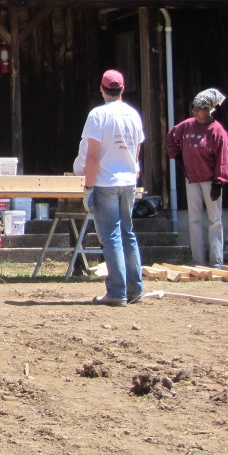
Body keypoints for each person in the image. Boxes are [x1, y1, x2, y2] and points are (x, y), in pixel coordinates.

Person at [82, 69, 145, 307]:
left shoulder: (97, 115)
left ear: (101, 88)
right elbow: (136, 152)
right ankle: (135, 289)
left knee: (111, 237)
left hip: (105, 182)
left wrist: (88, 186)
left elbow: (92, 157)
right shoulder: (133, 114)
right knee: (127, 233)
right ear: (122, 89)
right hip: (128, 181)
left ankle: (117, 292)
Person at [166, 88, 228, 269]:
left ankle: (216, 262)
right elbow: (171, 137)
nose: (195, 112)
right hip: (192, 179)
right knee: (194, 220)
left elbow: (223, 158)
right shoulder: (186, 125)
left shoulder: (217, 131)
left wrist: (219, 181)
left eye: (199, 109)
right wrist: (177, 157)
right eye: (193, 108)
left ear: (208, 109)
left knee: (215, 221)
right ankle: (198, 261)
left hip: (211, 181)